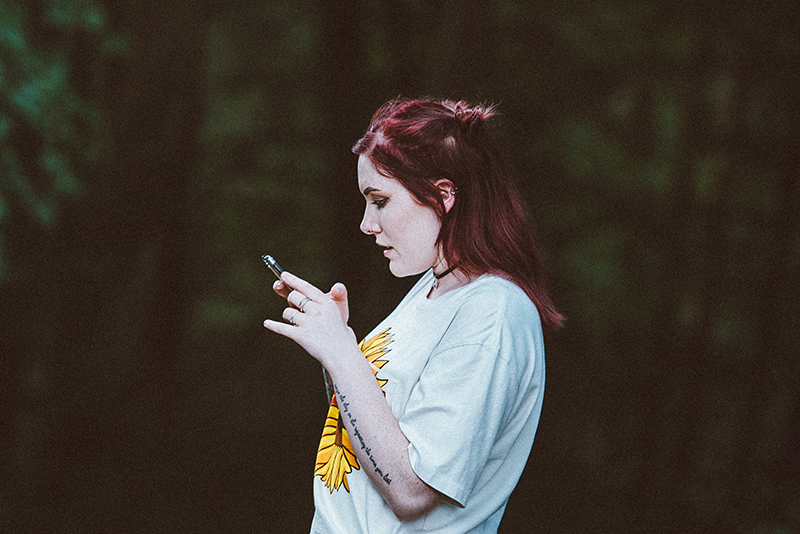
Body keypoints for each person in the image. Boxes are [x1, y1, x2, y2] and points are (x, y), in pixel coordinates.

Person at [264, 98, 563, 533]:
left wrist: (342, 351)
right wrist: (334, 348)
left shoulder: (493, 314)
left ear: (444, 195)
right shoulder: (432, 287)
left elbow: (411, 491)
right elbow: (372, 429)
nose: (367, 223)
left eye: (380, 200)